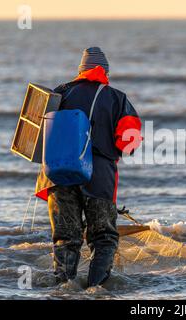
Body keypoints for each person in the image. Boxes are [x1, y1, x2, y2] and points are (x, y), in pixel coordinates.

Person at [35, 47, 142, 287]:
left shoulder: (58, 94)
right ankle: (97, 289)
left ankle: (64, 288)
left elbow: (36, 139)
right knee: (103, 238)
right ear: (104, 71)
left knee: (65, 239)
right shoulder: (117, 98)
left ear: (80, 71)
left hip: (57, 177)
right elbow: (128, 144)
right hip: (97, 178)